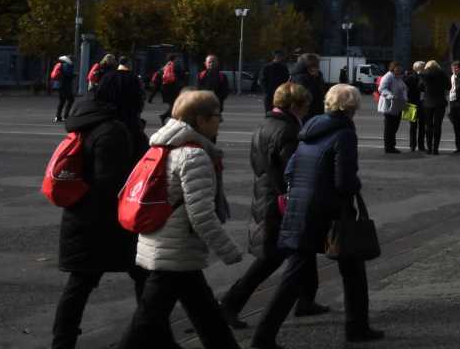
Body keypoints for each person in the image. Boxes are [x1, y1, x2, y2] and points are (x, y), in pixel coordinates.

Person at [251, 85, 383, 346]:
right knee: (353, 268)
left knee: (294, 274)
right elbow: (344, 180)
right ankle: (357, 327)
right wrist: (354, 188)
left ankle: (263, 336)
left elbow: (290, 170)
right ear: (351, 108)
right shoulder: (344, 133)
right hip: (330, 209)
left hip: (301, 205)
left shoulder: (309, 129)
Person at [117, 90, 243, 349]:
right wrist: (228, 250)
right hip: (175, 247)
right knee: (146, 323)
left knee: (205, 315)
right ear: (201, 119)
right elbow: (201, 213)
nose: (220, 121)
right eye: (217, 115)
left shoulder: (163, 145)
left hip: (165, 241)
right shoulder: (193, 155)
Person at [220, 83, 328, 328]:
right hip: (278, 200)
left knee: (303, 251)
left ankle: (306, 299)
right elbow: (291, 169)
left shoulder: (266, 124)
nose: (307, 110)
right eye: (305, 105)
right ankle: (230, 304)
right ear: (293, 106)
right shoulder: (288, 130)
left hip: (265, 193)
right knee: (271, 259)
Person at [51, 94, 146, 349]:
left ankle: (62, 341)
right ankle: (150, 335)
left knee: (81, 283)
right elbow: (111, 181)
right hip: (105, 221)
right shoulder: (113, 130)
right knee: (144, 276)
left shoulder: (86, 122)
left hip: (80, 214)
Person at [375, 62, 406, 154]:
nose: (400, 69)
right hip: (389, 105)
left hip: (397, 105)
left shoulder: (398, 77)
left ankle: (392, 145)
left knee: (395, 126)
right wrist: (390, 95)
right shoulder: (388, 76)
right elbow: (381, 89)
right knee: (389, 127)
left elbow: (403, 87)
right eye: (398, 68)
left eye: (400, 68)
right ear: (393, 68)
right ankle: (389, 147)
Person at [420, 60, 448, 155]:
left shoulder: (425, 74)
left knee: (428, 126)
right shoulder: (442, 73)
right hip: (440, 102)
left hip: (428, 102)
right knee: (438, 126)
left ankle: (429, 148)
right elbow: (449, 86)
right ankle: (435, 148)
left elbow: (420, 86)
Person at [289, 54, 326, 118]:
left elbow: (322, 89)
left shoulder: (317, 74)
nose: (318, 66)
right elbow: (306, 94)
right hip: (306, 111)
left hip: (316, 108)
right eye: (317, 64)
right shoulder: (300, 77)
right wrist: (315, 79)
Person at [404, 64, 426, 153]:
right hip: (415, 103)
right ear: (418, 68)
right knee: (420, 126)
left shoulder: (409, 77)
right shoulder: (412, 77)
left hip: (411, 103)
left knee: (414, 126)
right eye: (423, 67)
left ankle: (413, 146)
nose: (424, 68)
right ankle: (419, 146)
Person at [53, 55, 77, 122]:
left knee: (62, 101)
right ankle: (65, 116)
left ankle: (58, 117)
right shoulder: (66, 65)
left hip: (60, 85)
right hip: (64, 86)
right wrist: (74, 75)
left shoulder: (62, 64)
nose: (73, 61)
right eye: (72, 59)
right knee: (71, 99)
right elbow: (68, 74)